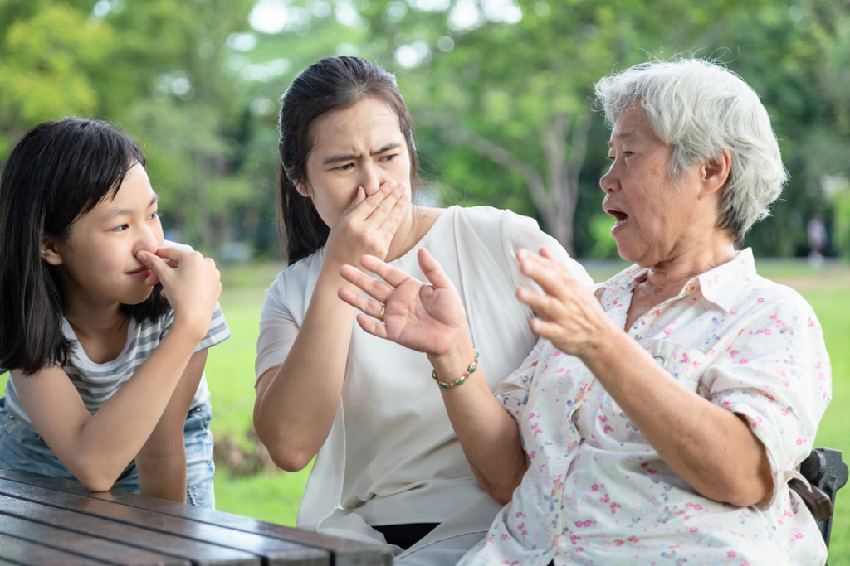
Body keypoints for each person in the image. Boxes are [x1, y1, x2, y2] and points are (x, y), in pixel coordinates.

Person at [338, 59, 832, 565]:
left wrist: (604, 346)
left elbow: (743, 476)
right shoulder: (598, 306)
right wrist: (451, 354)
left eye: (630, 155)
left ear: (708, 169)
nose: (606, 178)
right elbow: (510, 481)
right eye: (611, 155)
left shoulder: (769, 315)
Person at [252, 56, 592, 563]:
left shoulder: (501, 239)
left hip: (514, 524)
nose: (373, 185)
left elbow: (604, 356)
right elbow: (290, 447)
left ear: (410, 152)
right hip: (374, 537)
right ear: (301, 181)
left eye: (387, 156)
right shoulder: (294, 292)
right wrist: (338, 272)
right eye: (344, 165)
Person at [0, 118, 230, 508]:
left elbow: (160, 451)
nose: (149, 244)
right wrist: (191, 326)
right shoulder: (21, 305)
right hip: (41, 447)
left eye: (153, 215)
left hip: (170, 443)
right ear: (49, 245)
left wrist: (188, 323)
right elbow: (93, 465)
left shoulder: (183, 293)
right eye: (121, 226)